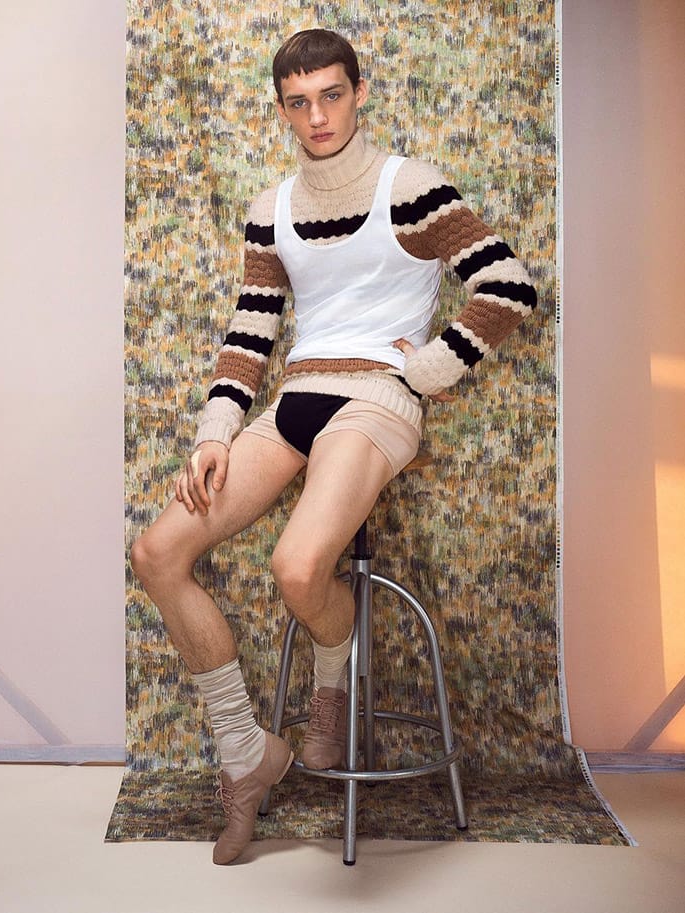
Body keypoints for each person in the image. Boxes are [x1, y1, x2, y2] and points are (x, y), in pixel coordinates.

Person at [130, 28, 537, 865]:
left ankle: (330, 683)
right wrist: (215, 432)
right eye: (299, 102)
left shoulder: (408, 186)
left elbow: (507, 283)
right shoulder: (272, 207)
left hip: (378, 400)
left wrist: (425, 369)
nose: (317, 116)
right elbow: (251, 333)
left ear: (358, 92)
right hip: (295, 401)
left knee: (296, 568)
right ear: (282, 108)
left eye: (331, 95)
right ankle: (247, 754)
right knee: (158, 552)